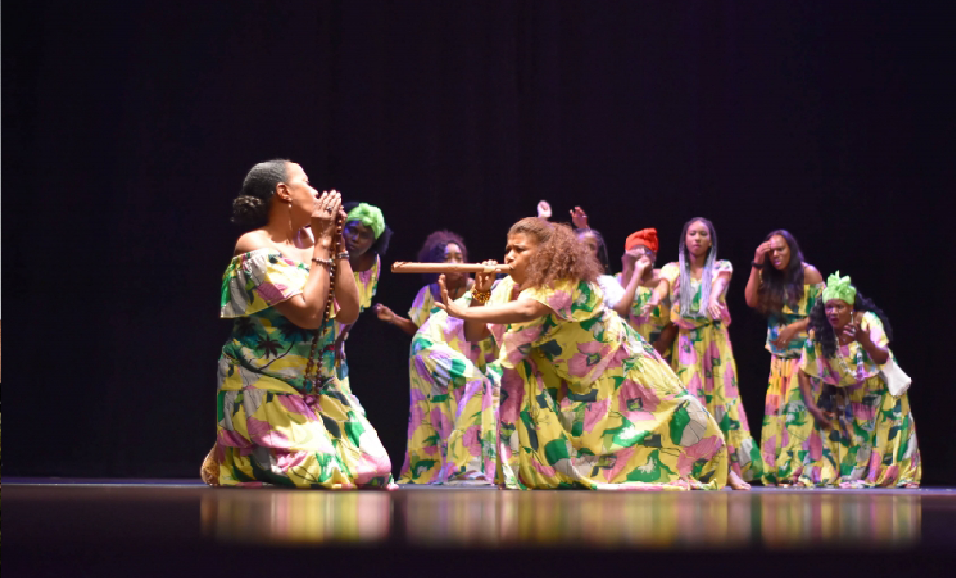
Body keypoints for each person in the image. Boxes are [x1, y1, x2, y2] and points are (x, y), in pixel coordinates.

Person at [435, 217, 740, 489]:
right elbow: (474, 335)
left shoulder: (563, 282)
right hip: (572, 379)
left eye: (520, 249)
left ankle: (718, 465)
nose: (510, 256)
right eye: (508, 249)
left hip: (620, 361)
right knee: (601, 448)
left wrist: (462, 310)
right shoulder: (506, 289)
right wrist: (479, 294)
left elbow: (530, 309)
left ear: (545, 255)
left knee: (679, 409)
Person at [202, 159, 392, 488]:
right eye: (306, 183)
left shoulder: (315, 240)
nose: (316, 191)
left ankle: (271, 448)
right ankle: (241, 453)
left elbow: (348, 311)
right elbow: (308, 314)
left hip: (321, 385)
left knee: (374, 471)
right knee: (320, 473)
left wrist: (337, 245)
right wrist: (322, 244)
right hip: (266, 382)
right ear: (284, 192)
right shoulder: (255, 246)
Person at [658, 218, 761, 487]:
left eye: (703, 234)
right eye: (692, 233)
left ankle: (729, 467)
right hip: (687, 343)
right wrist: (656, 298)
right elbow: (658, 287)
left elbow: (719, 286)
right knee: (692, 399)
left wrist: (714, 299)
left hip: (714, 341)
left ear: (711, 240)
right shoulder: (672, 270)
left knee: (722, 399)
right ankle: (691, 467)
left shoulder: (720, 267)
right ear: (685, 238)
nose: (698, 238)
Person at [796, 272, 921, 488]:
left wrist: (863, 339)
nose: (833, 312)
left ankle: (897, 476)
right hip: (848, 395)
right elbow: (803, 371)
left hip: (880, 391)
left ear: (851, 306)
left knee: (889, 434)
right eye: (829, 307)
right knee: (840, 438)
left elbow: (882, 356)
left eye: (840, 306)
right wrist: (813, 408)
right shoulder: (820, 332)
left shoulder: (867, 321)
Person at [743, 230, 824, 485]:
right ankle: (779, 468)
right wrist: (757, 260)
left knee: (798, 415)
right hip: (779, 359)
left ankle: (799, 470)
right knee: (778, 414)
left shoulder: (809, 274)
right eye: (772, 251)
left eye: (781, 249)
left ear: (792, 249)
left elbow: (824, 315)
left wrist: (794, 327)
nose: (776, 255)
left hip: (804, 359)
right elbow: (750, 300)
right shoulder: (768, 276)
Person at [374, 230, 473, 335]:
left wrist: (484, 288)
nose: (454, 264)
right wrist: (393, 318)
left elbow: (485, 304)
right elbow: (419, 329)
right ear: (436, 263)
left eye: (458, 258)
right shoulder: (428, 293)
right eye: (447, 259)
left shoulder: (473, 287)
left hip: (469, 349)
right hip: (438, 349)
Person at [614, 228, 676, 357]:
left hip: (660, 352)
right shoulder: (619, 279)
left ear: (654, 255)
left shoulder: (666, 278)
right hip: (627, 353)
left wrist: (660, 347)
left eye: (644, 252)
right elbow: (621, 308)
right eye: (633, 254)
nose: (639, 258)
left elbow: (675, 318)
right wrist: (629, 267)